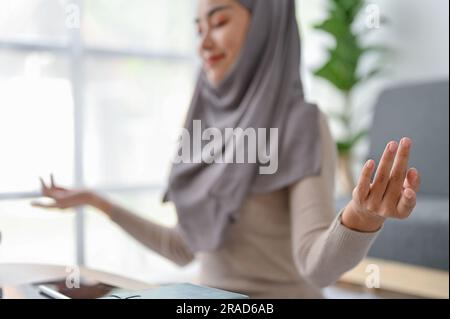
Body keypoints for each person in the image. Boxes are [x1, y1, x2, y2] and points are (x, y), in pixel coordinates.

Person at [32, 0, 421, 298]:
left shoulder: (300, 121)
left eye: (218, 22)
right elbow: (183, 247)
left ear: (264, 26)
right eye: (198, 27)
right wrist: (98, 202)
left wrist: (361, 217)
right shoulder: (203, 118)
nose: (203, 42)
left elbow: (316, 269)